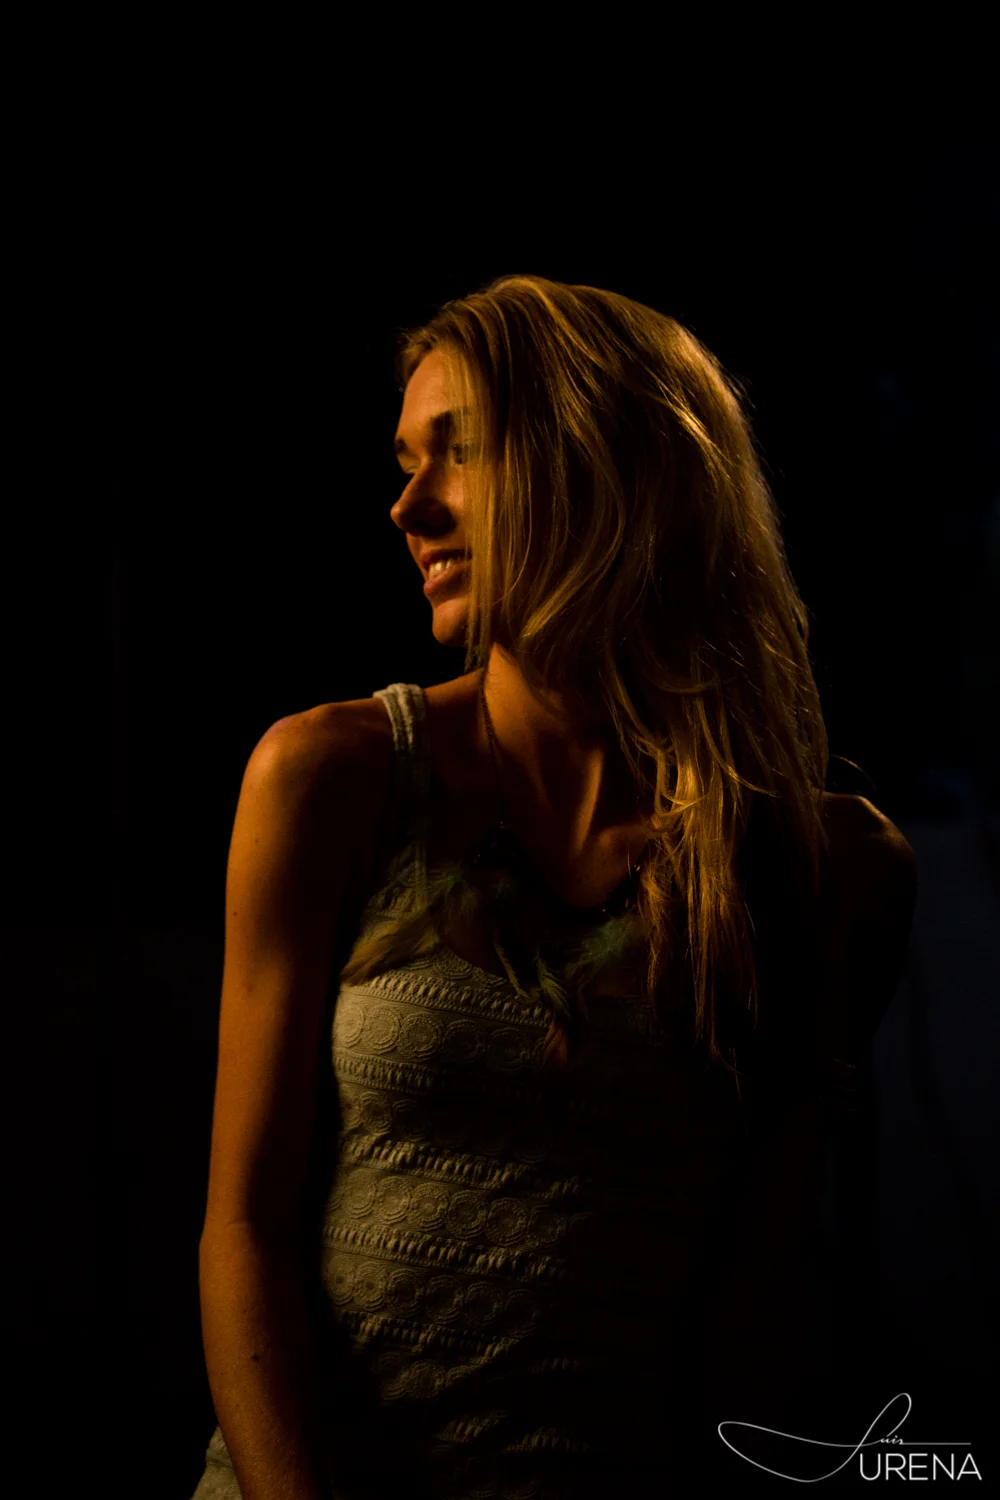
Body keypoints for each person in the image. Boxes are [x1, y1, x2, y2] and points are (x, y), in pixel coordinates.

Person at [191, 275, 918, 1499]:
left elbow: (754, 1303)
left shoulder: (828, 873)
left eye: (460, 452)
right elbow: (241, 1231)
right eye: (404, 462)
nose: (407, 507)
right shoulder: (334, 780)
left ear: (608, 466)